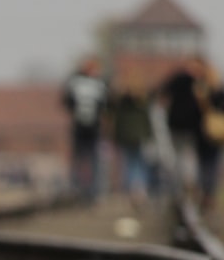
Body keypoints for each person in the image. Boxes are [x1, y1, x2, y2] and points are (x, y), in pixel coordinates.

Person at [159, 56, 207, 202]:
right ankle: (185, 183)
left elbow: (162, 92)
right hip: (188, 127)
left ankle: (184, 184)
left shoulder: (181, 79)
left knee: (182, 157)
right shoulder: (198, 82)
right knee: (186, 156)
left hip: (181, 126)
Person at [61, 57, 109, 202]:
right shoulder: (99, 83)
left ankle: (81, 189)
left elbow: (66, 101)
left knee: (84, 159)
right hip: (88, 127)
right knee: (87, 159)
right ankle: (83, 190)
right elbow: (105, 103)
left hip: (84, 127)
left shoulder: (75, 82)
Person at [109, 73, 154, 211]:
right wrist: (149, 135)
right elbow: (148, 120)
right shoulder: (144, 101)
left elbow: (115, 117)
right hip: (140, 137)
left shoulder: (122, 101)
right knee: (140, 163)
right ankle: (140, 191)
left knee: (129, 163)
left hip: (126, 137)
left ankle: (131, 192)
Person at [195, 64, 224, 213]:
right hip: (209, 135)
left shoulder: (204, 93)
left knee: (207, 165)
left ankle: (207, 193)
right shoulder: (216, 93)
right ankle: (208, 194)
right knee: (210, 165)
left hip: (211, 135)